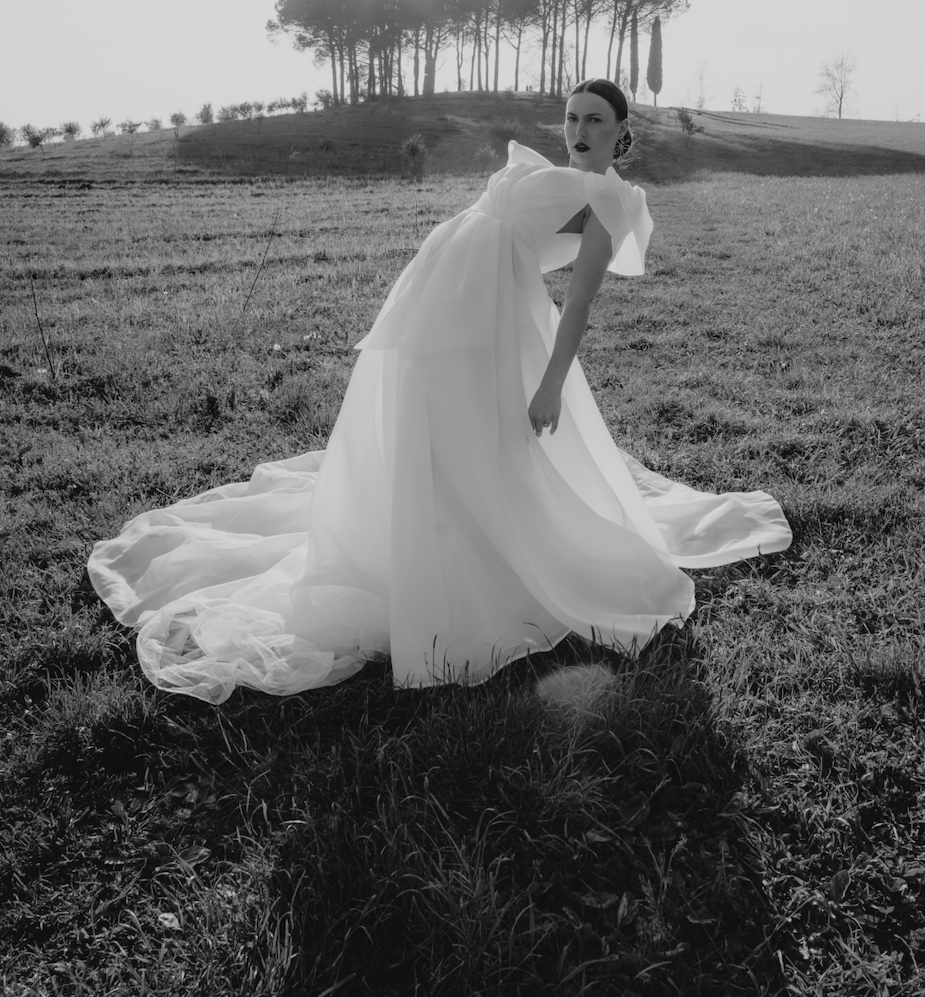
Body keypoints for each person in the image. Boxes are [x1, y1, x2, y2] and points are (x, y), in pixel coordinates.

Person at [88, 80, 791, 704]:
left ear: (621, 133)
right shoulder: (549, 176)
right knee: (431, 439)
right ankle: (427, 542)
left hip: (486, 328)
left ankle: (472, 566)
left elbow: (577, 305)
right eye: (572, 116)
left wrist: (548, 386)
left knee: (475, 444)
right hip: (439, 316)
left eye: (595, 120)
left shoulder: (607, 200)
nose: (578, 129)